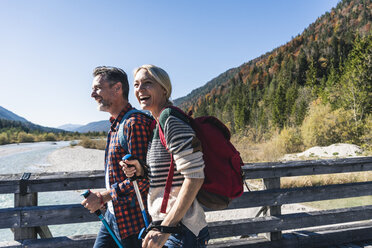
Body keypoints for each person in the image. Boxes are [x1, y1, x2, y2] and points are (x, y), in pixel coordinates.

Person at [122, 64, 209, 248]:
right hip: (172, 228)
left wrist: (166, 229)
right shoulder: (157, 123)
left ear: (163, 88)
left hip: (181, 230)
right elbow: (171, 175)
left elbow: (194, 177)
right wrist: (142, 171)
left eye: (147, 83)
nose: (140, 89)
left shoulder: (169, 120)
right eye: (136, 84)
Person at [82, 66, 153, 248]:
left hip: (134, 223)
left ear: (117, 88)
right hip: (114, 216)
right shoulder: (116, 125)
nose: (92, 94)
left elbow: (144, 179)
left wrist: (103, 197)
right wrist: (106, 200)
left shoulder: (134, 124)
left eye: (97, 88)